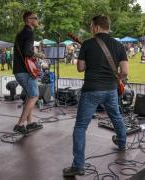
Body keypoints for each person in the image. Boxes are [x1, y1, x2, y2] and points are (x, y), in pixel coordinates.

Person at [63, 15, 128, 177]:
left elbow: (80, 68)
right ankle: (122, 143)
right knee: (116, 117)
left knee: (80, 127)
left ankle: (78, 165)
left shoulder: (87, 44)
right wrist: (115, 79)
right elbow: (125, 71)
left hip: (91, 89)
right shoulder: (119, 45)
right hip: (111, 90)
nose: (90, 29)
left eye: (91, 26)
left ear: (97, 27)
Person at [13, 11, 45, 134]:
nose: (37, 20)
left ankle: (30, 123)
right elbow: (27, 52)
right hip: (25, 71)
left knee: (29, 96)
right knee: (34, 96)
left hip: (19, 71)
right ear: (28, 20)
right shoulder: (29, 32)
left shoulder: (20, 33)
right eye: (35, 18)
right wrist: (39, 55)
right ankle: (20, 124)